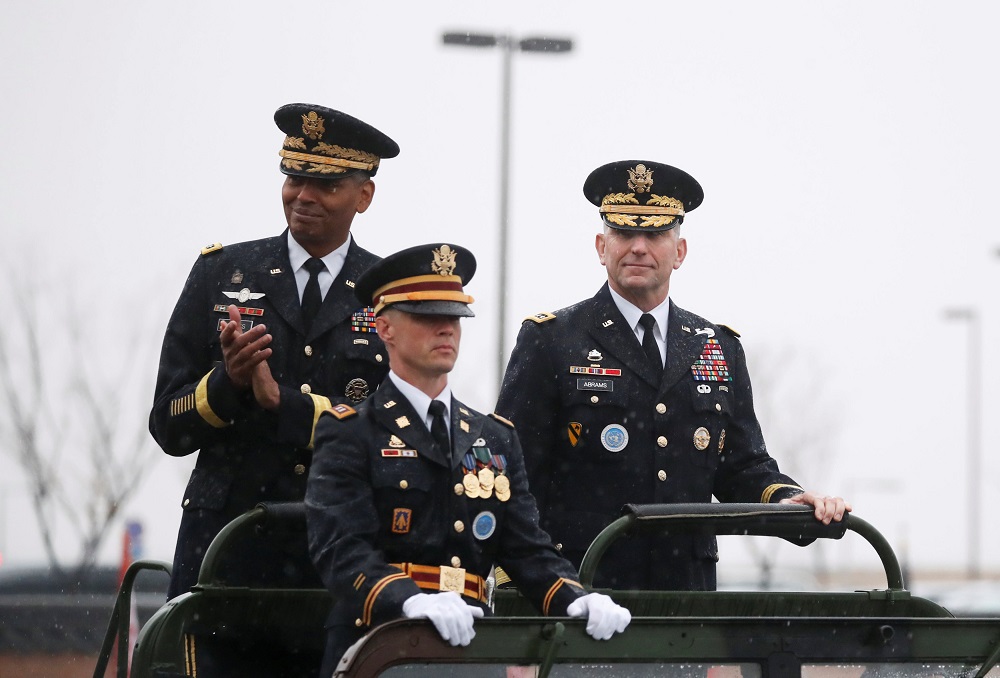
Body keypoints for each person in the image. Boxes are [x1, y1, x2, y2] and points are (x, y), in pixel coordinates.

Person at [495, 160, 850, 591]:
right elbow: (512, 475)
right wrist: (520, 587)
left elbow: (742, 467)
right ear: (601, 247)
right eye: (623, 233)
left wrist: (788, 500)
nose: (638, 247)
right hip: (582, 593)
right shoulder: (551, 341)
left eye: (655, 234)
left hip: (686, 600)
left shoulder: (717, 347)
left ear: (679, 252)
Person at [305, 243, 631, 674]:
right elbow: (340, 548)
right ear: (384, 328)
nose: (446, 329)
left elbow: (526, 548)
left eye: (454, 316)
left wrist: (575, 597)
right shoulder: (351, 432)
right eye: (427, 317)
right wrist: (408, 599)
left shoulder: (494, 437)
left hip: (474, 648)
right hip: (379, 647)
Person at [150, 103, 399, 600]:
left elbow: (397, 434)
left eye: (326, 184)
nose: (303, 196)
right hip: (225, 548)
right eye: (293, 178)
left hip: (338, 551)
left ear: (364, 195)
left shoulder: (391, 292)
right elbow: (168, 427)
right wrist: (228, 384)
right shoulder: (221, 272)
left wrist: (287, 405)